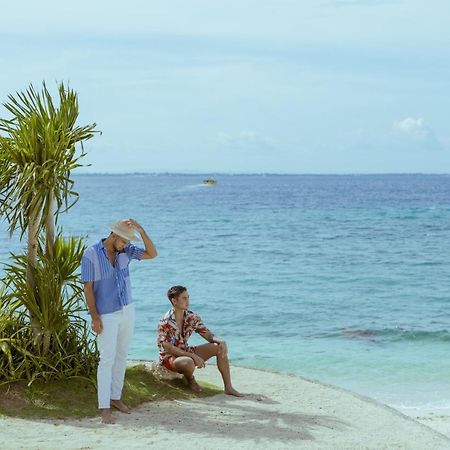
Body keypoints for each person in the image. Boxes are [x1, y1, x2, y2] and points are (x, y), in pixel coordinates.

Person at [81, 219, 157, 424]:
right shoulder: (91, 254)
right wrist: (95, 317)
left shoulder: (127, 251)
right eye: (123, 241)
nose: (125, 245)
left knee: (122, 355)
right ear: (114, 235)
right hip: (106, 313)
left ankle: (115, 397)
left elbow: (152, 254)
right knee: (107, 359)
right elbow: (88, 288)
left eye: (127, 241)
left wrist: (142, 230)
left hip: (127, 309)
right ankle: (104, 407)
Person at [157, 285, 243, 397]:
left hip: (186, 351)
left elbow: (206, 334)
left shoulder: (192, 317)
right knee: (188, 362)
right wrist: (193, 356)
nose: (188, 301)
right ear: (174, 301)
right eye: (184, 298)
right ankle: (190, 379)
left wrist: (221, 341)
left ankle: (228, 387)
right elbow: (168, 348)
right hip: (170, 358)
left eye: (188, 297)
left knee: (218, 347)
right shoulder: (165, 321)